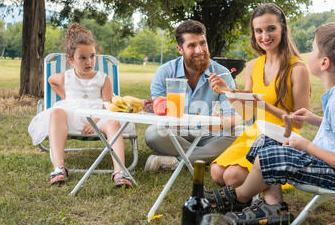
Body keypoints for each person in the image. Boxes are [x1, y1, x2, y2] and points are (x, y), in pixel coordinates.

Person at [206, 22, 335, 225]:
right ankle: (273, 206)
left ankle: (239, 197)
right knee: (267, 140)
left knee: (270, 156)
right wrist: (314, 119)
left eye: (314, 48)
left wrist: (306, 146)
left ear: (325, 63)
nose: (309, 52)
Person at [208, 3, 311, 188]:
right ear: (254, 33)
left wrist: (264, 105)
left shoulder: (297, 69)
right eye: (259, 30)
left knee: (232, 177)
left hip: (284, 138)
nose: (265, 36)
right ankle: (247, 190)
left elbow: (300, 122)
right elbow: (247, 114)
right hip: (256, 134)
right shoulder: (252, 66)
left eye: (271, 29)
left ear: (283, 29)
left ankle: (249, 192)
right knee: (216, 172)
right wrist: (227, 91)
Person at [28, 23, 135, 188]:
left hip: (98, 116)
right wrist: (65, 97)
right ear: (71, 60)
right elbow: (51, 80)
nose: (89, 62)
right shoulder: (66, 77)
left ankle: (119, 172)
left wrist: (97, 120)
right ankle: (59, 168)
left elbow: (108, 104)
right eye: (83, 58)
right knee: (56, 112)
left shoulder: (103, 78)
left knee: (114, 122)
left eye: (92, 56)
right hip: (72, 115)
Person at [144, 20, 239, 172]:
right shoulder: (165, 72)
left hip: (208, 132)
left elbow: (234, 117)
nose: (200, 50)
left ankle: (175, 161)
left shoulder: (222, 74)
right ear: (180, 49)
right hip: (175, 132)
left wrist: (225, 95)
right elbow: (159, 113)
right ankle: (204, 155)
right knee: (153, 134)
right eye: (192, 45)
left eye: (203, 43)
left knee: (237, 135)